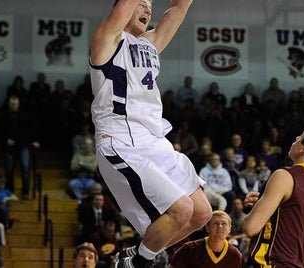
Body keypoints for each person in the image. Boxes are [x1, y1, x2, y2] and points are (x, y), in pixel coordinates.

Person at [89, 0, 212, 267]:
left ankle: (139, 254)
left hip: (153, 139)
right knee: (182, 210)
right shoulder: (108, 38)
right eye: (141, 3)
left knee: (201, 213)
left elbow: (179, 8)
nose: (148, 9)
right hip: (120, 139)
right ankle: (138, 263)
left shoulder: (150, 44)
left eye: (151, 5)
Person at [242, 121, 304, 267]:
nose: (295, 140)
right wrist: (265, 203)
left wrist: (256, 211)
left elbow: (250, 227)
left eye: (299, 138)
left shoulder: (284, 175)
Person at [170, 210, 242, 268]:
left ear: (229, 229)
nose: (220, 226)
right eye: (216, 223)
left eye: (224, 224)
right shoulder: (189, 249)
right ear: (207, 228)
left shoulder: (235, 256)